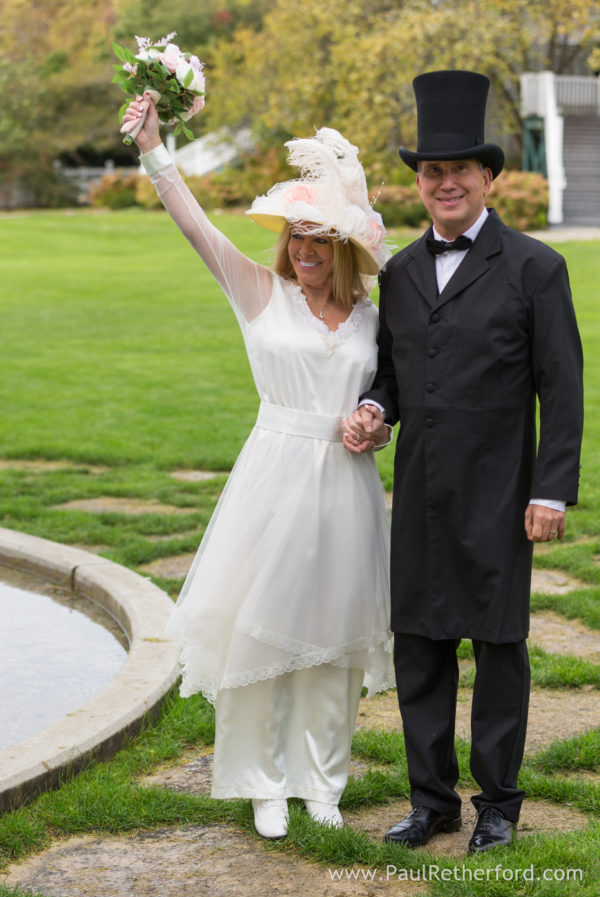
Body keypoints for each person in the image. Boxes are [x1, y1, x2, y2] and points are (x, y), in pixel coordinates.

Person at [121, 94, 394, 840]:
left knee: (333, 638)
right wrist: (155, 151)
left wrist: (374, 422)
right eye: (296, 236)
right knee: (263, 632)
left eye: (320, 239)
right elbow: (195, 225)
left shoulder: (374, 315)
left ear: (344, 248)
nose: (304, 249)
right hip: (274, 475)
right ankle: (261, 782)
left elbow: (387, 391)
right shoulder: (259, 293)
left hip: (346, 486)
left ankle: (321, 782)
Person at [343, 70, 584, 853]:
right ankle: (432, 802)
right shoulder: (402, 274)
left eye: (460, 171)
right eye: (431, 172)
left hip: (502, 490)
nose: (445, 183)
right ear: (419, 181)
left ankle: (501, 805)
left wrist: (552, 489)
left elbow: (564, 388)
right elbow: (393, 376)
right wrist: (377, 408)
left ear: (489, 177)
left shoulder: (535, 269)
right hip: (420, 493)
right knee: (420, 645)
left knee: (500, 649)